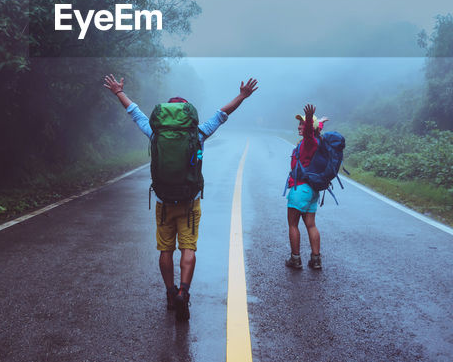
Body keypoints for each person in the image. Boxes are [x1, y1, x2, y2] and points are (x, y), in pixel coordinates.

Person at [104, 74, 258, 320]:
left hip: (164, 202)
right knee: (188, 246)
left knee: (166, 250)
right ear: (188, 114)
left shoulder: (155, 133)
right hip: (189, 201)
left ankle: (169, 293)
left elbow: (135, 113)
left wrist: (118, 92)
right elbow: (221, 115)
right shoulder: (196, 133)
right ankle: (184, 293)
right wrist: (242, 95)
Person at [286, 103, 325, 270]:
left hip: (300, 188)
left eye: (302, 124)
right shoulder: (317, 141)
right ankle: (316, 259)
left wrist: (309, 118)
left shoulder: (309, 141)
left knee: (293, 224)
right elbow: (314, 130)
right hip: (312, 190)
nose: (299, 127)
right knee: (311, 224)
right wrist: (320, 121)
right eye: (299, 124)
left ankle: (295, 259)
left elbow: (309, 132)